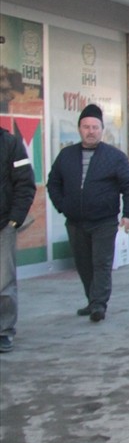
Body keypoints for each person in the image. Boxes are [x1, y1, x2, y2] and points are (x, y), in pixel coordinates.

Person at [47, 104, 129, 322]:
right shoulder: (67, 155)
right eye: (86, 127)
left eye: (95, 127)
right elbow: (53, 183)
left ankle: (99, 305)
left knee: (101, 263)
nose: (91, 131)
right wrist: (63, 206)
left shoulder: (114, 157)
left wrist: (128, 213)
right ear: (79, 128)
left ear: (102, 129)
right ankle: (91, 300)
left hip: (104, 221)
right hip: (75, 221)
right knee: (83, 264)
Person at [0, 126, 36, 353]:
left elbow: (25, 182)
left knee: (4, 283)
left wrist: (15, 220)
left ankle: (3, 332)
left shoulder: (10, 143)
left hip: (3, 225)